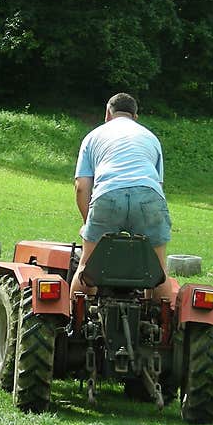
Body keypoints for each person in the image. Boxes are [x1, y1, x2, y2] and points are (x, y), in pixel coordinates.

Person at [70, 92, 173, 300]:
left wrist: (87, 224)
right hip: (148, 196)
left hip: (108, 194)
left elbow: (82, 186)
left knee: (86, 267)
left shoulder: (93, 136)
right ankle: (161, 327)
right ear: (135, 116)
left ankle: (76, 324)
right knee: (159, 272)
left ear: (108, 113)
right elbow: (158, 185)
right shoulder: (150, 138)